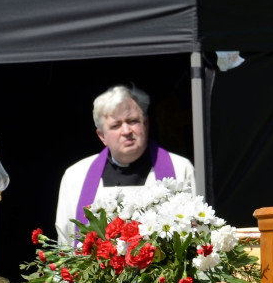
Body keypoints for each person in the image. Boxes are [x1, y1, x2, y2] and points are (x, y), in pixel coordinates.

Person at [55, 84, 195, 243]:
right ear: (102, 136)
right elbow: (66, 243)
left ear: (146, 124)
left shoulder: (180, 169)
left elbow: (196, 233)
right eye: (116, 125)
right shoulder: (76, 176)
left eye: (133, 121)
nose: (126, 131)